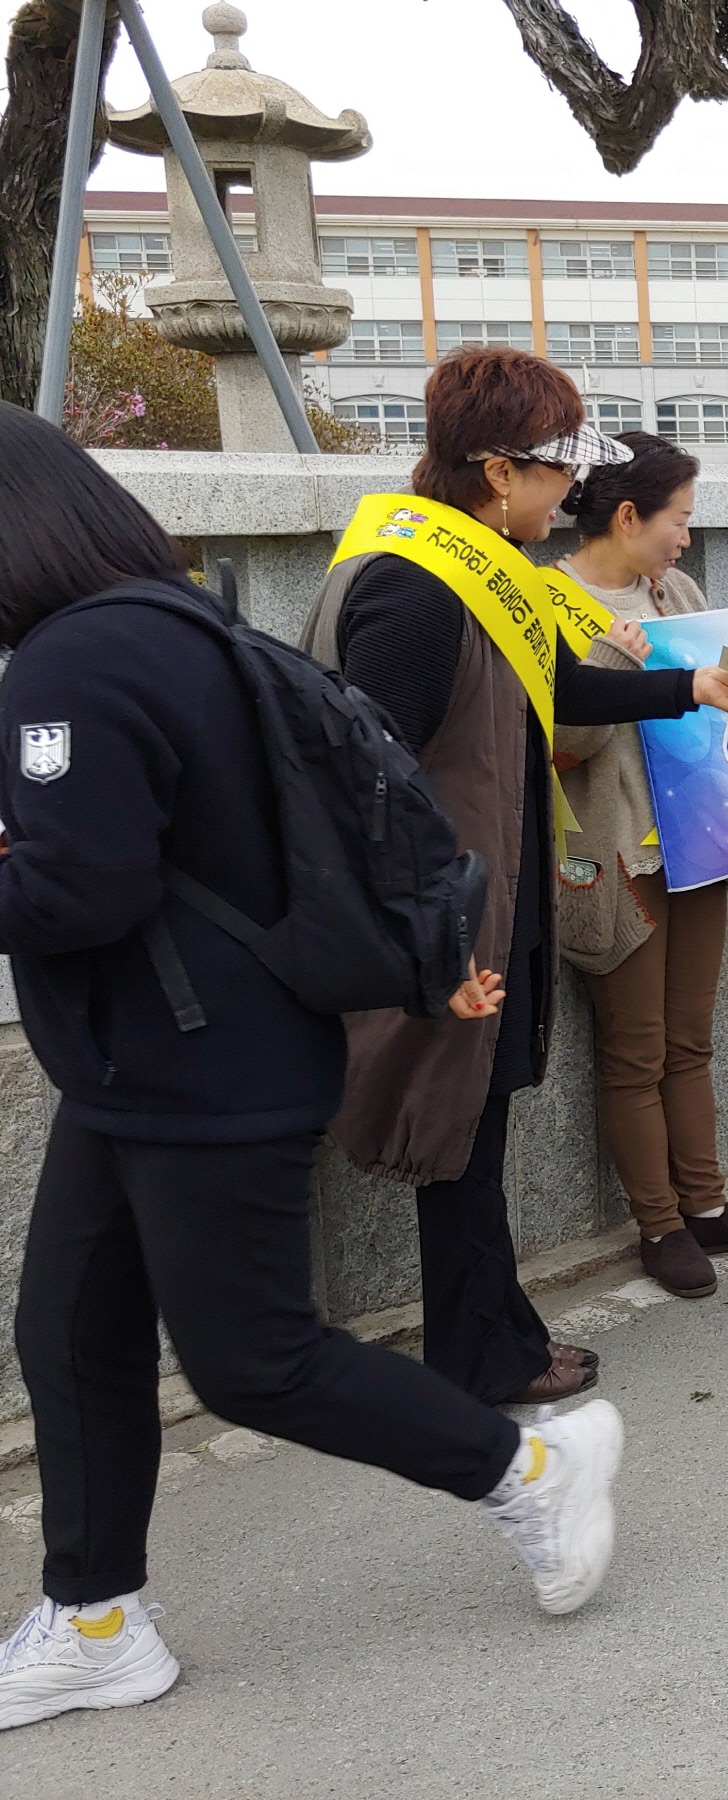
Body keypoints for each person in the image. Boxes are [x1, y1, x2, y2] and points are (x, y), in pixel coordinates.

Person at [0, 408, 622, 1733]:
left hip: (200, 1066)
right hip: (154, 1057)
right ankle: (97, 1617)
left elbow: (81, 889)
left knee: (252, 1362)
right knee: (67, 1326)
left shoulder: (72, 663)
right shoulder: (165, 622)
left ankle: (524, 1467)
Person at [301, 348, 728, 1406]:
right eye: (557, 470)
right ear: (496, 468)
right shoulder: (417, 590)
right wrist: (429, 947)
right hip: (447, 920)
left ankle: (495, 1332)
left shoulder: (463, 562)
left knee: (474, 1140)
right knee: (458, 1143)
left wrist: (692, 686)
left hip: (480, 902)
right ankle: (483, 1356)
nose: (573, 494)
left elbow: (553, 687)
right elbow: (369, 781)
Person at [550, 433, 728, 1299]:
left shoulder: (679, 594)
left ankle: (706, 1206)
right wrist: (618, 657)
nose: (687, 540)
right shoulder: (548, 601)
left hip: (697, 849)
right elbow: (560, 746)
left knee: (690, 1040)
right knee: (636, 1049)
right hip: (612, 857)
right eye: (680, 520)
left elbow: (720, 732)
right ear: (629, 515)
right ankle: (659, 1227)